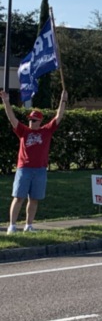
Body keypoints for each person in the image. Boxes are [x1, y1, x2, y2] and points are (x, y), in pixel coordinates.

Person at [2, 89, 68, 233]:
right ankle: (12, 225)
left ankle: (28, 225)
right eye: (30, 119)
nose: (31, 122)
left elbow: (59, 116)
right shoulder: (23, 131)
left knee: (34, 199)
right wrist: (6, 102)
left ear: (40, 121)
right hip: (24, 169)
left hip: (40, 170)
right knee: (18, 197)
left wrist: (63, 100)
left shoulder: (46, 131)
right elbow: (12, 118)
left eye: (34, 120)